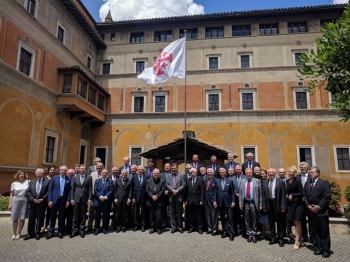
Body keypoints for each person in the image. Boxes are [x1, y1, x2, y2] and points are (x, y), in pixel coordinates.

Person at [303, 167, 331, 258]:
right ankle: (319, 248)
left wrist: (318, 207)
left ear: (318, 173)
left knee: (324, 231)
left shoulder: (324, 183)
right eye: (309, 172)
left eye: (312, 172)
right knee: (315, 231)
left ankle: (326, 250)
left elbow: (327, 197)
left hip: (321, 212)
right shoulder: (307, 183)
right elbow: (304, 196)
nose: (310, 174)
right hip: (311, 212)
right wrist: (308, 206)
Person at [262, 168, 286, 247]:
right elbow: (263, 196)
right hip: (269, 204)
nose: (271, 174)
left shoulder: (281, 182)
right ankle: (273, 237)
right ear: (268, 174)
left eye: (272, 173)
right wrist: (264, 206)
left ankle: (280, 238)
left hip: (278, 204)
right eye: (269, 173)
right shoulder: (265, 182)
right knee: (271, 222)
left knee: (280, 223)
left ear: (275, 173)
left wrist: (283, 206)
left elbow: (283, 195)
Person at [24, 168, 50, 240]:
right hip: (33, 203)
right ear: (35, 174)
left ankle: (37, 233)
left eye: (40, 173)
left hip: (42, 203)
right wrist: (33, 199)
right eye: (37, 173)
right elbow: (28, 192)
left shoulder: (47, 182)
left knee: (39, 218)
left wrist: (42, 199)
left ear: (43, 174)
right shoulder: (31, 182)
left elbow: (49, 192)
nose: (39, 174)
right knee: (31, 219)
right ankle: (30, 233)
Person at [47, 165, 71, 239]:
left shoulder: (68, 179)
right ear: (60, 171)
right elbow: (50, 190)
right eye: (62, 170)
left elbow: (69, 191)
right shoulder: (54, 178)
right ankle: (51, 232)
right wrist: (50, 200)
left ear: (66, 171)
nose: (63, 171)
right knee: (52, 217)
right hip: (54, 200)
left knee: (61, 217)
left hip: (63, 201)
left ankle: (60, 232)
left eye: (65, 170)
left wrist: (68, 201)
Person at [239, 168, 262, 243]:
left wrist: (260, 204)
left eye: (250, 173)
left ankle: (254, 234)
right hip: (246, 203)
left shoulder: (257, 181)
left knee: (254, 219)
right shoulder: (242, 181)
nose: (248, 174)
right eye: (247, 173)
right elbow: (240, 194)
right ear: (245, 174)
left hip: (254, 203)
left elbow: (260, 194)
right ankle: (249, 234)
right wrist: (240, 204)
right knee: (247, 219)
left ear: (252, 173)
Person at [70, 164, 92, 238]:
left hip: (84, 199)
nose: (82, 170)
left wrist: (89, 198)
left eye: (83, 168)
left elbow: (90, 189)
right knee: (75, 215)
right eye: (81, 168)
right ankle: (74, 230)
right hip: (76, 199)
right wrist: (72, 198)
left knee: (83, 215)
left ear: (86, 169)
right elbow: (72, 189)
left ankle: (82, 230)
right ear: (79, 169)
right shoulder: (75, 177)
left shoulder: (89, 177)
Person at [286, 166, 304, 250]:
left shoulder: (298, 181)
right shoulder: (287, 181)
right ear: (288, 172)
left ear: (295, 173)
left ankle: (297, 242)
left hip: (298, 204)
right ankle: (300, 240)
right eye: (290, 171)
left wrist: (292, 195)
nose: (291, 173)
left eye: (293, 172)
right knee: (295, 222)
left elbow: (302, 193)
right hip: (290, 204)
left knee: (297, 222)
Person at [214, 168, 235, 241]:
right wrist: (214, 201)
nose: (222, 173)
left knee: (230, 218)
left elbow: (232, 192)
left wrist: (233, 201)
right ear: (219, 174)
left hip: (228, 202)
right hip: (220, 202)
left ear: (226, 173)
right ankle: (224, 231)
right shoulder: (217, 181)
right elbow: (215, 192)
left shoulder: (230, 180)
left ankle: (231, 233)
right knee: (222, 218)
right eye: (221, 172)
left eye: (223, 172)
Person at [8, 170, 30, 240]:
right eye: (20, 174)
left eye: (23, 174)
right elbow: (11, 194)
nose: (21, 175)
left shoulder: (28, 182)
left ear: (24, 175)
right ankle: (14, 233)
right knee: (15, 218)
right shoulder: (14, 183)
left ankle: (19, 233)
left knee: (22, 218)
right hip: (16, 200)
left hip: (24, 200)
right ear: (17, 175)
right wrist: (10, 204)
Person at [296, 161, 314, 243]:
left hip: (310, 202)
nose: (303, 169)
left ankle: (312, 236)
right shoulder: (297, 177)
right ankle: (304, 236)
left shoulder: (311, 176)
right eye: (301, 168)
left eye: (304, 168)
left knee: (311, 220)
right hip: (300, 202)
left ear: (307, 168)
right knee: (302, 220)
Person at [166, 163, 186, 233]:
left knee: (179, 212)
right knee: (172, 213)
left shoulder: (181, 175)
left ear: (177, 168)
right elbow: (167, 184)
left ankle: (180, 227)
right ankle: (173, 227)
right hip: (171, 196)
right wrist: (172, 190)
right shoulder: (169, 176)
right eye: (172, 168)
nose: (173, 170)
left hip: (179, 196)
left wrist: (177, 190)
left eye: (175, 168)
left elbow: (183, 185)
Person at [145, 168, 166, 234]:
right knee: (151, 215)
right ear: (152, 174)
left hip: (159, 200)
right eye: (155, 173)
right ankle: (152, 228)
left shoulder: (162, 181)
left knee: (159, 215)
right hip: (151, 200)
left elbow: (163, 190)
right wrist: (152, 196)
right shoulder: (148, 181)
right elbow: (147, 190)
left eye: (157, 173)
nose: (156, 174)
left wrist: (157, 196)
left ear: (159, 174)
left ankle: (158, 228)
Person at [184, 168, 204, 234]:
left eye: (193, 172)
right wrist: (185, 200)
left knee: (198, 215)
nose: (192, 174)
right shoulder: (188, 180)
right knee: (191, 215)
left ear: (196, 173)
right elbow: (186, 191)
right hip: (190, 200)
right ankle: (192, 227)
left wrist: (201, 200)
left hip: (197, 200)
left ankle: (199, 228)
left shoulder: (200, 180)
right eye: (191, 172)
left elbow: (202, 191)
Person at [93, 169, 113, 235]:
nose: (104, 174)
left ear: (107, 174)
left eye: (105, 173)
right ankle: (97, 228)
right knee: (97, 216)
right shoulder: (97, 181)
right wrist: (101, 197)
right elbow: (95, 190)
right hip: (98, 201)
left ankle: (105, 228)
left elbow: (111, 190)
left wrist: (106, 197)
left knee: (106, 215)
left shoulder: (110, 181)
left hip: (106, 201)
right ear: (101, 174)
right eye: (103, 173)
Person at [86, 162, 104, 232]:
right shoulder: (92, 174)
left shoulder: (104, 173)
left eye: (100, 166)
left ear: (102, 167)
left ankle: (98, 226)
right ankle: (89, 226)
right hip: (93, 196)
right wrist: (89, 197)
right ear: (96, 167)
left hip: (102, 197)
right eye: (98, 166)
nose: (99, 167)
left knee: (99, 212)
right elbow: (89, 186)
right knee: (91, 212)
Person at [132, 165, 147, 232]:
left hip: (144, 197)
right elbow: (132, 188)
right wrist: (132, 197)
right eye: (139, 169)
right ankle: (136, 225)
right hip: (136, 197)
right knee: (136, 212)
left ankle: (143, 226)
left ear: (143, 170)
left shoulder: (146, 177)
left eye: (141, 169)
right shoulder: (134, 177)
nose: (140, 170)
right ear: (137, 170)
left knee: (143, 212)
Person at [203, 168, 218, 235]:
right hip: (206, 200)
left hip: (213, 201)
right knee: (207, 215)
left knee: (214, 215)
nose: (209, 174)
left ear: (213, 173)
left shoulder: (216, 181)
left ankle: (215, 229)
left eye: (211, 172)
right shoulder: (205, 180)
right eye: (208, 172)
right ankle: (209, 228)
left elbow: (216, 192)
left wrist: (215, 201)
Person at [232, 165, 245, 235]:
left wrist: (241, 193)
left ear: (241, 170)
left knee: (244, 215)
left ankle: (244, 229)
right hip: (235, 200)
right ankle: (237, 229)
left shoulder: (245, 177)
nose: (238, 170)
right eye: (236, 169)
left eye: (239, 169)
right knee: (236, 215)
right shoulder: (232, 178)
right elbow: (231, 188)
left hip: (243, 199)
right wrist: (235, 193)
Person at [42, 166, 55, 233]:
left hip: (51, 198)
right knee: (43, 212)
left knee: (49, 213)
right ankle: (41, 226)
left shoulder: (54, 178)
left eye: (53, 170)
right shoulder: (44, 178)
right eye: (51, 170)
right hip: (44, 198)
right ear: (48, 171)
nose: (52, 171)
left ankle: (47, 225)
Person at [160, 163, 171, 228]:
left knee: (171, 209)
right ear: (164, 167)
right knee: (163, 210)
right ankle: (163, 223)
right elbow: (160, 185)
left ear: (170, 167)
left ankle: (171, 224)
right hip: (163, 195)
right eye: (166, 166)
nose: (167, 167)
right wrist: (163, 191)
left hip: (171, 195)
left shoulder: (173, 175)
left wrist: (168, 191)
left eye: (168, 166)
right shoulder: (161, 175)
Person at [65, 169, 75, 234]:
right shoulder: (64, 179)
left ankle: (69, 228)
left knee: (70, 216)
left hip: (72, 200)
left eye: (71, 173)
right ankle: (62, 228)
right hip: (64, 200)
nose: (70, 174)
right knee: (62, 215)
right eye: (69, 173)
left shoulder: (74, 180)